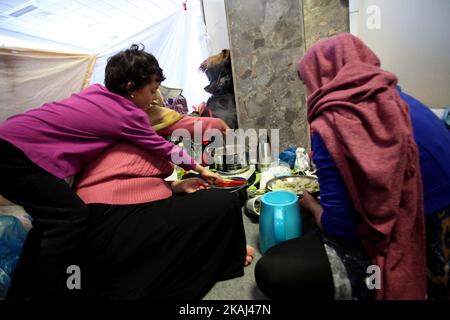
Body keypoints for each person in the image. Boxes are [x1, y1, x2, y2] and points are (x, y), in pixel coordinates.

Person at [0, 44, 222, 300]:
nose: (153, 98)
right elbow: (161, 146)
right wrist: (199, 168)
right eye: (151, 91)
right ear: (130, 88)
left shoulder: (95, 94)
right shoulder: (127, 114)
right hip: (17, 156)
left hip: (8, 141)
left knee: (48, 223)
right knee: (70, 217)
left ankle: (19, 293)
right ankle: (52, 293)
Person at [255, 33, 450, 300]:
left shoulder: (333, 122)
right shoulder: (399, 100)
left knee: (274, 268)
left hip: (421, 238)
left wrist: (312, 206)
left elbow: (342, 227)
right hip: (432, 214)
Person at [73, 140, 254, 300]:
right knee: (225, 201)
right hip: (113, 220)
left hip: (99, 212)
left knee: (196, 194)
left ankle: (228, 249)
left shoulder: (105, 134)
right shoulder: (132, 127)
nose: (153, 101)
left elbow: (133, 180)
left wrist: (174, 186)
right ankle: (228, 255)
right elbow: (131, 183)